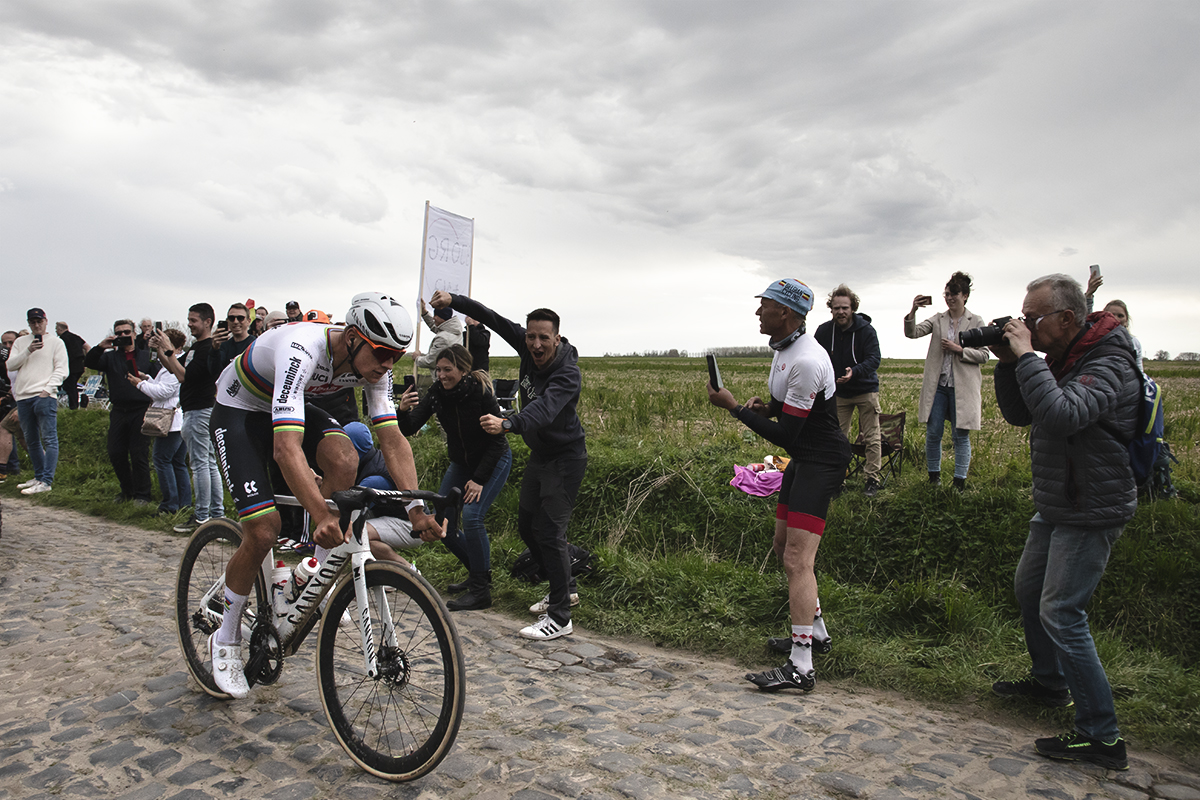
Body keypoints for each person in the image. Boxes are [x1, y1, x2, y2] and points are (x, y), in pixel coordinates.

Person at [207, 292, 441, 699]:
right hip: (240, 409)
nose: (388, 365)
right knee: (262, 530)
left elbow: (392, 439)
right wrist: (322, 513)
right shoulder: (302, 349)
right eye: (382, 353)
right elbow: (285, 449)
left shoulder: (375, 367)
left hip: (287, 405)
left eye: (396, 356)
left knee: (344, 458)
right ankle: (225, 638)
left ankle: (308, 556)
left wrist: (416, 509)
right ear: (351, 337)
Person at [989, 274, 1139, 771]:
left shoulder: (1110, 359)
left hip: (1093, 504)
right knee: (1029, 591)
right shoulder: (1065, 354)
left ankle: (1102, 735)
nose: (1026, 323)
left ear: (1067, 319)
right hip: (1060, 501)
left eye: (1034, 318)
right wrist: (1011, 365)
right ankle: (1050, 684)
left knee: (1062, 612)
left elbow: (1061, 414)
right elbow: (1019, 415)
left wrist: (1029, 356)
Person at [707, 279, 851, 692]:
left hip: (821, 462)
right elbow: (791, 408)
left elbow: (788, 436)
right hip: (806, 458)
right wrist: (765, 405)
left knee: (796, 560)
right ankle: (816, 632)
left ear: (785, 313)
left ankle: (801, 665)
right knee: (781, 545)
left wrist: (734, 408)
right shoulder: (787, 349)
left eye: (764, 306)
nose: (758, 313)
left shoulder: (805, 359)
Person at [431, 289, 586, 641]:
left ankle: (560, 616)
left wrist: (508, 423)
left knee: (549, 532)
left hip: (566, 459)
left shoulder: (567, 373)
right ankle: (567, 586)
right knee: (527, 527)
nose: (535, 344)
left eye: (543, 338)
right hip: (540, 456)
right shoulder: (525, 344)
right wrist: (452, 300)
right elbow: (492, 318)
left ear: (556, 338)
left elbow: (545, 407)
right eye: (531, 337)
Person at [397, 343, 513, 611]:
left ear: (463, 370)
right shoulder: (438, 393)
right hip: (461, 463)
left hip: (492, 461)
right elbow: (410, 427)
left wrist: (480, 479)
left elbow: (497, 442)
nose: (441, 375)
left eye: (447, 369)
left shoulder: (481, 393)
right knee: (442, 524)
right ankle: (477, 573)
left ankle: (481, 592)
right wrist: (402, 410)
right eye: (438, 370)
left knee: (472, 518)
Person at [904, 271, 989, 490]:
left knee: (960, 435)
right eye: (947, 294)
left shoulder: (976, 320)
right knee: (933, 433)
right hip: (939, 387)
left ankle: (959, 482)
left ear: (965, 296)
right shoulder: (938, 319)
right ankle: (934, 479)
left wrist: (960, 350)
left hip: (962, 388)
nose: (949, 298)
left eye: (954, 294)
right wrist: (913, 310)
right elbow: (912, 333)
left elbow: (985, 355)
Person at [154, 303, 225, 532]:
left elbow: (184, 376)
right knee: (208, 463)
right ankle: (216, 515)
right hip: (199, 410)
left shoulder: (207, 348)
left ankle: (202, 517)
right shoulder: (197, 347)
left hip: (199, 410)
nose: (189, 324)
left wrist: (168, 350)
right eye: (189, 319)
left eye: (193, 320)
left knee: (200, 464)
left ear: (207, 322)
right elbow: (176, 368)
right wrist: (161, 350)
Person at [813, 285, 883, 497]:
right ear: (831, 309)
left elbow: (874, 359)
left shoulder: (866, 331)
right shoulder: (824, 332)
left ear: (853, 308)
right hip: (838, 392)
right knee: (837, 437)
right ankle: (837, 480)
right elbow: (815, 358)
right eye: (836, 308)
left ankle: (872, 480)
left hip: (865, 389)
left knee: (872, 436)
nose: (840, 312)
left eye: (845, 307)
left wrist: (856, 371)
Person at [85, 319, 157, 504]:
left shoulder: (145, 355)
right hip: (118, 409)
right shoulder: (110, 357)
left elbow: (159, 375)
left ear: (134, 334)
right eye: (119, 333)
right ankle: (127, 490)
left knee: (138, 453)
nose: (123, 336)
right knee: (115, 452)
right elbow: (90, 362)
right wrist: (101, 347)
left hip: (140, 407)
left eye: (126, 332)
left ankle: (143, 494)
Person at [7, 309, 69, 495]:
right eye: (33, 322)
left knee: (49, 439)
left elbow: (62, 370)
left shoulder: (56, 342)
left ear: (46, 321)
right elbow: (10, 365)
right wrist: (28, 351)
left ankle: (47, 480)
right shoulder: (20, 342)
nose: (36, 325)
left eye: (39, 321)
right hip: (24, 396)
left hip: (44, 395)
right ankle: (39, 475)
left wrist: (47, 390)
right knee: (31, 439)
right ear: (28, 323)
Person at [133, 328, 192, 515]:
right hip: (177, 419)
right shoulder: (173, 364)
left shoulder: (175, 364)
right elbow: (162, 387)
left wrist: (139, 384)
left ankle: (170, 504)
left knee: (161, 460)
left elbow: (163, 392)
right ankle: (184, 503)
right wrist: (148, 379)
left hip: (170, 421)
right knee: (178, 463)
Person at [416, 302, 465, 375]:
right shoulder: (454, 329)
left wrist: (417, 358)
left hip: (443, 378)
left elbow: (431, 361)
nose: (433, 317)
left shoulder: (443, 338)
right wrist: (424, 312)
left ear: (442, 317)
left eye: (436, 315)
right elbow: (435, 327)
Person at [207, 302, 255, 377]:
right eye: (231, 318)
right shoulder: (223, 345)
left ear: (248, 321)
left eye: (240, 318)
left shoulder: (255, 344)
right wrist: (214, 349)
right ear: (227, 321)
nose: (235, 322)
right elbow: (215, 373)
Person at [1, 330, 24, 480]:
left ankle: (43, 469)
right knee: (6, 429)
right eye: (5, 343)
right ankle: (10, 468)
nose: (8, 346)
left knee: (22, 434)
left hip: (22, 398)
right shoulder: (2, 357)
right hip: (6, 398)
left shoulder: (22, 355)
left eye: (11, 342)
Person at [55, 322, 88, 409]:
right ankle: (74, 405)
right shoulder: (77, 337)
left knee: (70, 386)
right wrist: (87, 361)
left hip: (70, 366)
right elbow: (87, 347)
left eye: (56, 329)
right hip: (80, 366)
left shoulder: (61, 339)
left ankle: (73, 406)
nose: (56, 331)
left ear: (60, 329)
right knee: (72, 385)